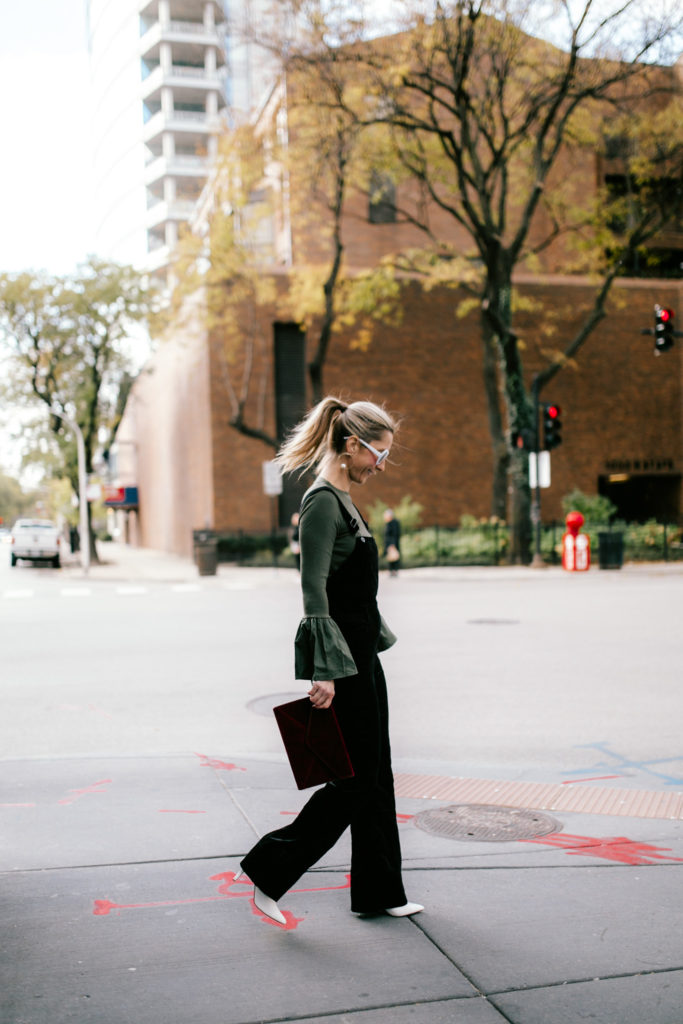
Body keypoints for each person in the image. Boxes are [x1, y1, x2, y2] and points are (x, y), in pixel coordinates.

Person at [239, 396, 423, 924]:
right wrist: (324, 672)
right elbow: (313, 589)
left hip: (364, 658)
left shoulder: (345, 498)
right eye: (377, 454)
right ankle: (269, 870)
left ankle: (379, 890)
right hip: (343, 663)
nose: (381, 464)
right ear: (349, 446)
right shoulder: (322, 502)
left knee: (378, 773)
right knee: (356, 780)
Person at [383, 507, 401, 576]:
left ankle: (394, 570)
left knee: (394, 557)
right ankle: (392, 571)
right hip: (389, 543)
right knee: (391, 558)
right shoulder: (388, 523)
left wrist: (392, 544)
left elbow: (394, 534)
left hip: (392, 543)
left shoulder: (393, 523)